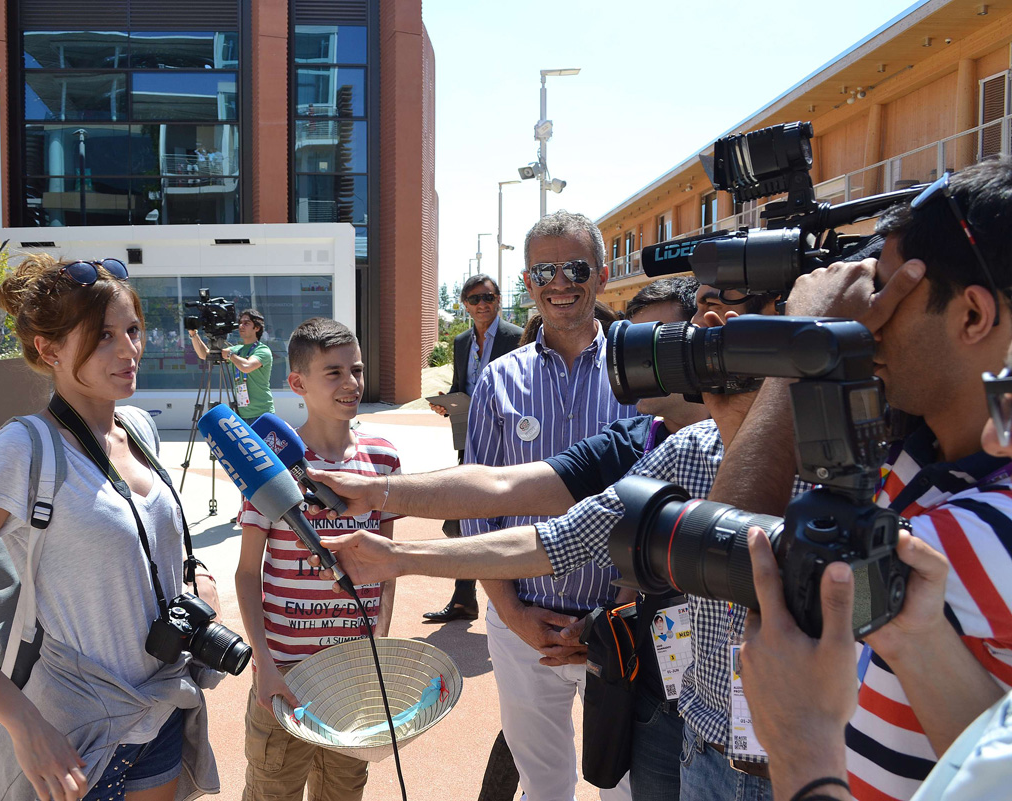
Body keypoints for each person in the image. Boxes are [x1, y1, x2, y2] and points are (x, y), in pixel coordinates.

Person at [312, 280, 803, 801]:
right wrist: (386, 520)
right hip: (685, 717)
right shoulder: (672, 447)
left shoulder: (835, 455)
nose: (644, 356)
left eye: (666, 337)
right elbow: (522, 504)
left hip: (793, 747)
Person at [711, 159, 1012, 801]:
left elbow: (727, 542)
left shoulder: (977, 532)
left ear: (972, 317)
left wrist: (805, 340)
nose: (869, 322)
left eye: (889, 297)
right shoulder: (927, 458)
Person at [0, 256, 220, 801]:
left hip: (162, 711)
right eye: (102, 337)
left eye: (132, 330)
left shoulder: (139, 427)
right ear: (49, 350)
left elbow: (147, 542)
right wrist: (24, 724)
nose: (129, 350)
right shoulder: (23, 449)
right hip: (73, 736)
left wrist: (198, 577)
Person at [458, 211, 637, 801]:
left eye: (576, 267)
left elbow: (660, 503)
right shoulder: (498, 381)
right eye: (544, 269)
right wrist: (510, 611)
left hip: (618, 624)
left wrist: (615, 617)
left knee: (625, 786)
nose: (561, 282)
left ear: (603, 275)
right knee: (543, 784)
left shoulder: (640, 378)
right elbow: (478, 505)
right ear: (529, 282)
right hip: (521, 624)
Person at [235, 317, 401, 801]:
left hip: (354, 672)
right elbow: (248, 573)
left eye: (357, 369)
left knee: (343, 791)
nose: (351, 383)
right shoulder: (267, 462)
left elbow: (389, 566)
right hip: (286, 674)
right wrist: (263, 662)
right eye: (333, 372)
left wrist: (381, 647)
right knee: (272, 789)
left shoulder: (383, 459)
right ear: (297, 384)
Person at [426, 272, 524, 623]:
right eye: (474, 299)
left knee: (504, 516)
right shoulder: (463, 340)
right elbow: (459, 385)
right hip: (469, 437)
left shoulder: (517, 337)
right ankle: (464, 597)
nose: (482, 304)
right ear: (465, 305)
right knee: (463, 513)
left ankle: (513, 600)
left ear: (499, 300)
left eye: (489, 297)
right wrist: (445, 403)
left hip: (509, 442)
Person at [188, 308, 274, 426]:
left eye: (246, 323)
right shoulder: (236, 350)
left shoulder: (262, 350)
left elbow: (246, 366)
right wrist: (193, 334)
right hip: (240, 413)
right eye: (240, 323)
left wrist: (229, 355)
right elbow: (204, 355)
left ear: (257, 328)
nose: (241, 326)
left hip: (262, 414)